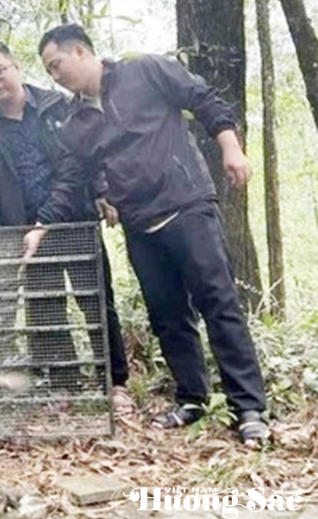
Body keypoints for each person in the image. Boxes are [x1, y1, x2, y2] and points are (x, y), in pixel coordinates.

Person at [37, 23, 268, 444]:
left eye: (57, 64)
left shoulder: (145, 71)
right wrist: (41, 224)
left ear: (81, 51)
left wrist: (230, 146)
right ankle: (192, 398)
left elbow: (203, 97)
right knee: (167, 314)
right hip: (140, 223)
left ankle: (249, 407)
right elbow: (72, 176)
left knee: (219, 303)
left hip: (188, 204)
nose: (55, 76)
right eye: (48, 71)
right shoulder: (77, 122)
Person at [0, 42, 131, 407]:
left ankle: (115, 381)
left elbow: (90, 154)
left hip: (73, 219)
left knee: (96, 303)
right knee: (46, 308)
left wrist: (103, 191)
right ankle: (64, 384)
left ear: (16, 68)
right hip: (25, 232)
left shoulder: (57, 106)